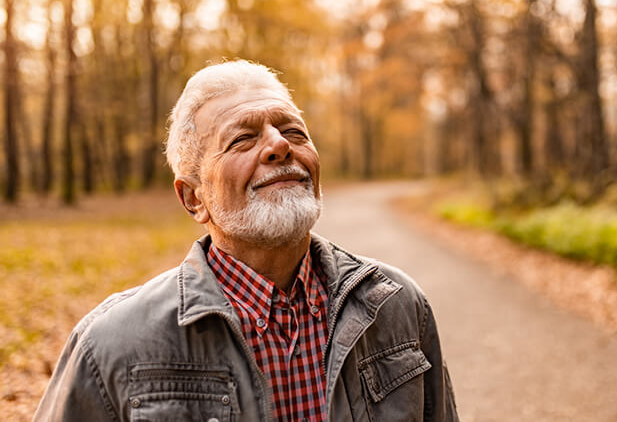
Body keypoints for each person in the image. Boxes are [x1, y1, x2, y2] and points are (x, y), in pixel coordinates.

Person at [34, 60, 459, 421]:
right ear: (193, 198)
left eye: (293, 131)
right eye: (242, 139)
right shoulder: (111, 344)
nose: (278, 146)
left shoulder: (398, 305)